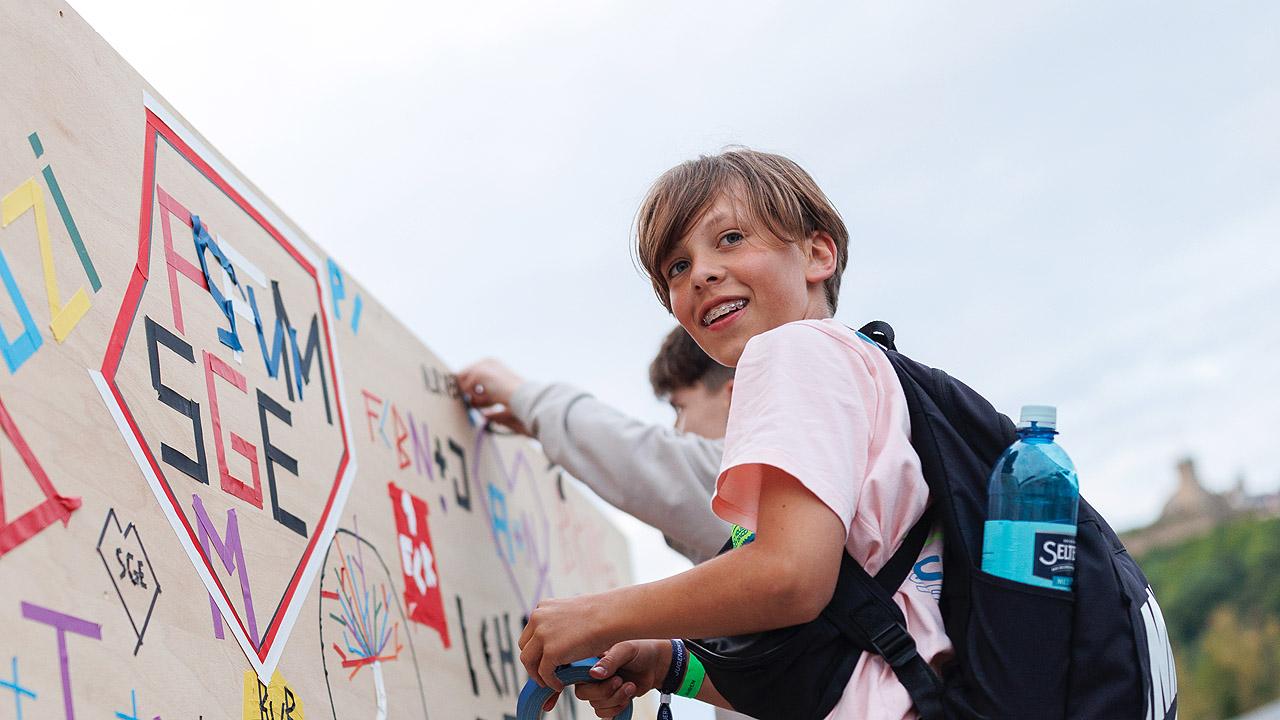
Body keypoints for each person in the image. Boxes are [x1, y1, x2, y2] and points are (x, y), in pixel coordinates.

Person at [516, 148, 949, 720]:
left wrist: (598, 615)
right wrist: (672, 665)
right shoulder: (865, 373)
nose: (702, 273)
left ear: (818, 254)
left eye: (731, 239)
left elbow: (790, 578)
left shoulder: (793, 349)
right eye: (676, 266)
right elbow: (838, 666)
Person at [457, 326, 734, 564]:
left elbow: (648, 460)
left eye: (680, 408)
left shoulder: (754, 475)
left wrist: (522, 394)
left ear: (733, 396)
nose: (677, 428)